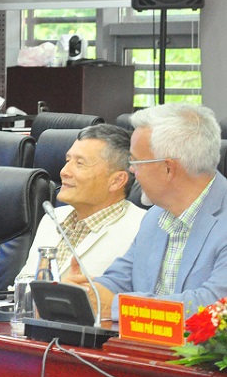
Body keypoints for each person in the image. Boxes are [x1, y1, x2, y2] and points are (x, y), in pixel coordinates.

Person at [67, 103, 227, 320]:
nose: (131, 170)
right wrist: (85, 293)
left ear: (168, 168)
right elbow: (121, 279)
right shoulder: (155, 216)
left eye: (136, 162)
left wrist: (116, 306)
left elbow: (215, 306)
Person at [16, 124, 146, 281]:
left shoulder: (142, 228)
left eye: (79, 163)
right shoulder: (53, 217)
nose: (64, 172)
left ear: (117, 181)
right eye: (67, 160)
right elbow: (25, 279)